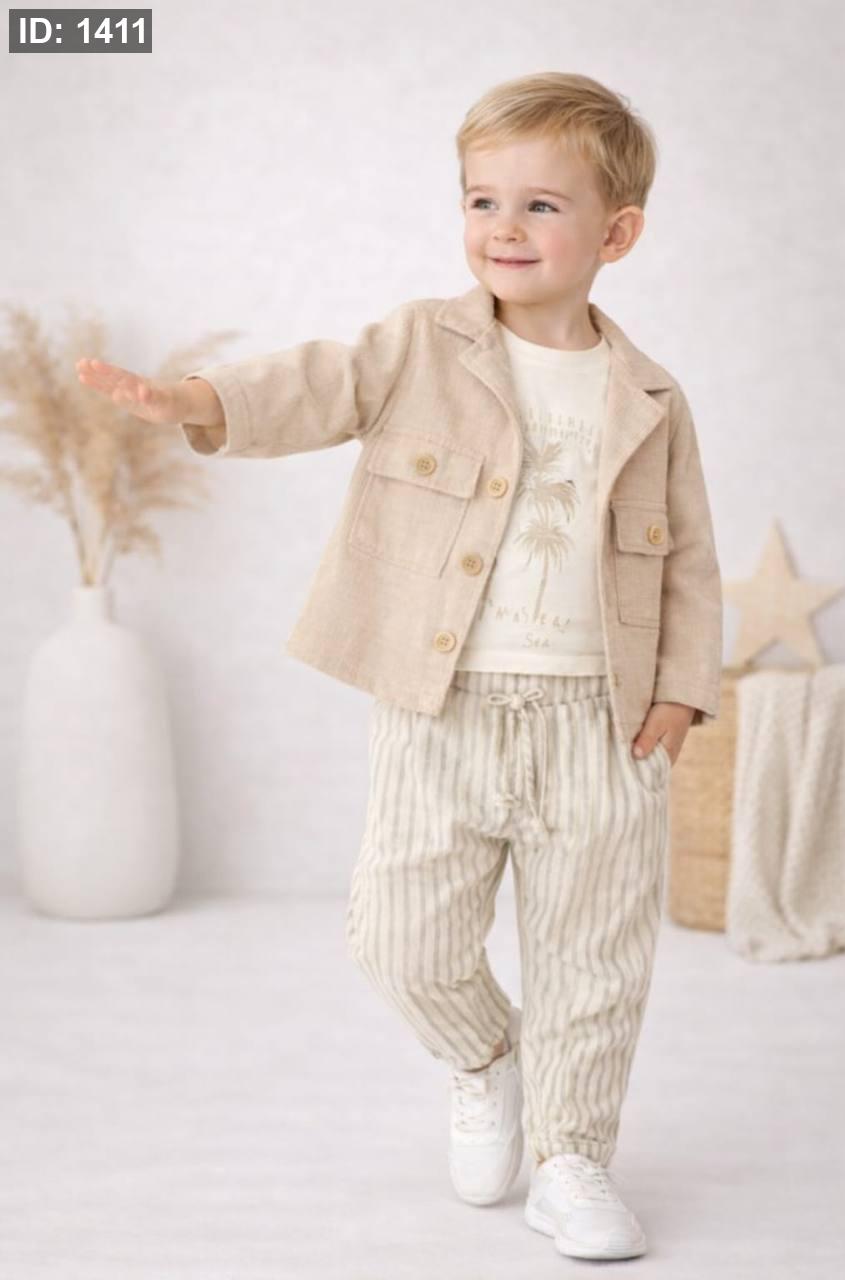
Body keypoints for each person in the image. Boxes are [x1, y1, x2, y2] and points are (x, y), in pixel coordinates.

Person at [76, 71, 722, 1263]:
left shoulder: (650, 396)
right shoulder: (422, 345)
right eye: (482, 200)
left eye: (540, 205)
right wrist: (194, 399)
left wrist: (681, 688)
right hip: (440, 706)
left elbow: (686, 552)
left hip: (600, 716)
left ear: (617, 233)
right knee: (397, 934)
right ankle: (487, 1054)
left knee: (593, 954)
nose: (503, 228)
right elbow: (311, 384)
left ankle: (572, 1159)